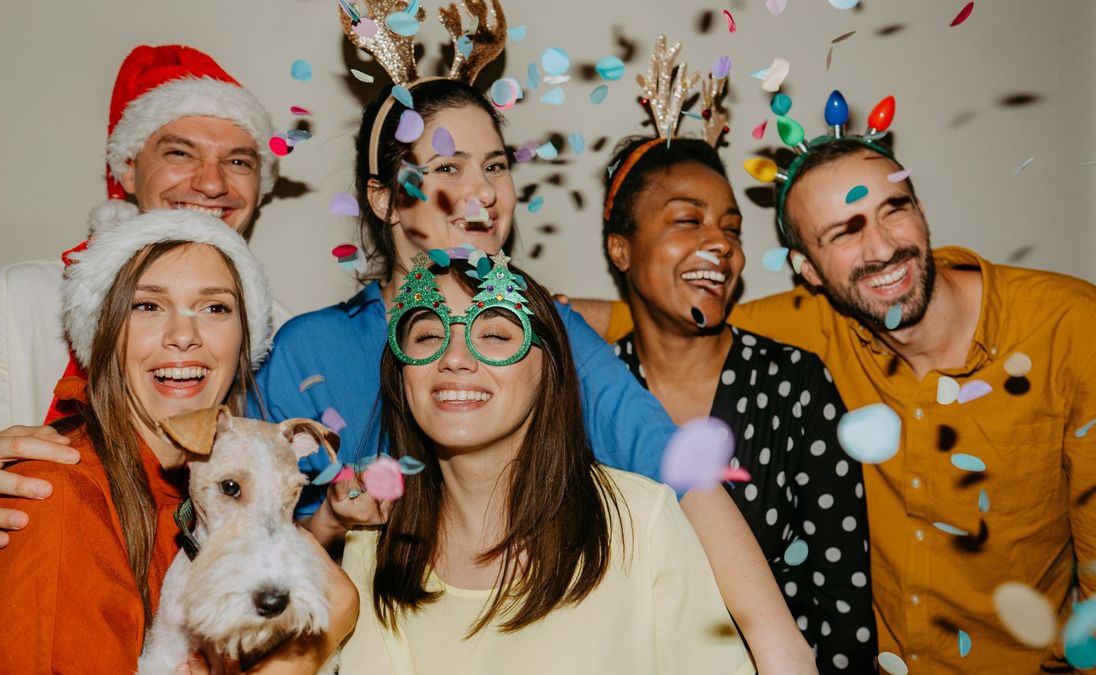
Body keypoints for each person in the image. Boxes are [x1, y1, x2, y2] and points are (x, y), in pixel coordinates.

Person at [255, 74, 815, 671]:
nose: (483, 192)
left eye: (495, 166)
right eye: (448, 168)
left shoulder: (553, 335)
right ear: (385, 199)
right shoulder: (308, 351)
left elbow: (678, 471)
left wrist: (778, 644)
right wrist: (332, 521)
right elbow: (253, 557)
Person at [581, 132, 1096, 671]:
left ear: (921, 211)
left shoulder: (1069, 329)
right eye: (842, 233)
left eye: (891, 210)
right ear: (809, 270)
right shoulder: (816, 324)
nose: (880, 247)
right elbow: (673, 325)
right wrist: (545, 320)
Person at [0, 209, 357, 672]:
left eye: (215, 307)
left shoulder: (185, 506)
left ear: (243, 343)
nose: (184, 335)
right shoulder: (51, 498)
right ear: (102, 336)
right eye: (147, 305)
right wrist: (307, 653)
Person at [0, 44, 285, 553]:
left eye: (238, 161)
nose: (211, 183)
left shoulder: (282, 330)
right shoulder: (25, 299)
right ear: (126, 169)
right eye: (179, 152)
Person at [337, 252, 753, 674]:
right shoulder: (371, 546)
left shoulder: (643, 520)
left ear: (548, 368)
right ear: (400, 372)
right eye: (427, 336)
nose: (455, 357)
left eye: (495, 335)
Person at [600, 135, 878, 672]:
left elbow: (844, 608)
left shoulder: (793, 384)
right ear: (621, 249)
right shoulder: (592, 396)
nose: (721, 244)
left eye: (731, 229)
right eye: (688, 220)